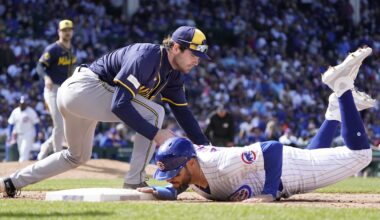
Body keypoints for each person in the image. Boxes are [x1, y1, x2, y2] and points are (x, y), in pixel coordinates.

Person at [135, 47, 375, 202]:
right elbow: (179, 184)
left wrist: (269, 194)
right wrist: (162, 191)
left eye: (174, 173)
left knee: (362, 156)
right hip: (278, 170)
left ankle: (342, 86)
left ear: (190, 162)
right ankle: (335, 111)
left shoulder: (221, 165)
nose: (171, 178)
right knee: (314, 155)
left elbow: (272, 148)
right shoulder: (189, 164)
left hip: (288, 172)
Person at [0, 26, 211, 197]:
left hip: (80, 96)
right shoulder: (147, 56)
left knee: (76, 156)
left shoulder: (173, 75)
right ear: (175, 48)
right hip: (84, 89)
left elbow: (184, 115)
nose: (197, 60)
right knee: (155, 113)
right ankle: (134, 180)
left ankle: (10, 182)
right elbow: (119, 104)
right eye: (193, 54)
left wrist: (209, 150)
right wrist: (157, 134)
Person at [36, 19, 77, 160]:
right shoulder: (53, 49)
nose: (67, 32)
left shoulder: (72, 49)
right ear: (59, 32)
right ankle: (57, 155)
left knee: (65, 124)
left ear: (72, 31)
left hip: (66, 90)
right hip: (52, 89)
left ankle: (46, 147)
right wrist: (46, 78)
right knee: (59, 123)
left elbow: (72, 69)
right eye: (64, 30)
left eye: (69, 29)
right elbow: (40, 66)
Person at [6, 96, 40, 162]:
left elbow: (36, 124)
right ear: (19, 103)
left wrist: (37, 133)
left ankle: (22, 166)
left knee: (24, 151)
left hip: (28, 134)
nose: (22, 105)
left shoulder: (31, 111)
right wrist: (10, 135)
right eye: (21, 103)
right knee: (21, 152)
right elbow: (11, 124)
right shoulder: (15, 111)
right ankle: (26, 164)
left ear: (26, 103)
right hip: (19, 134)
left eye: (24, 103)